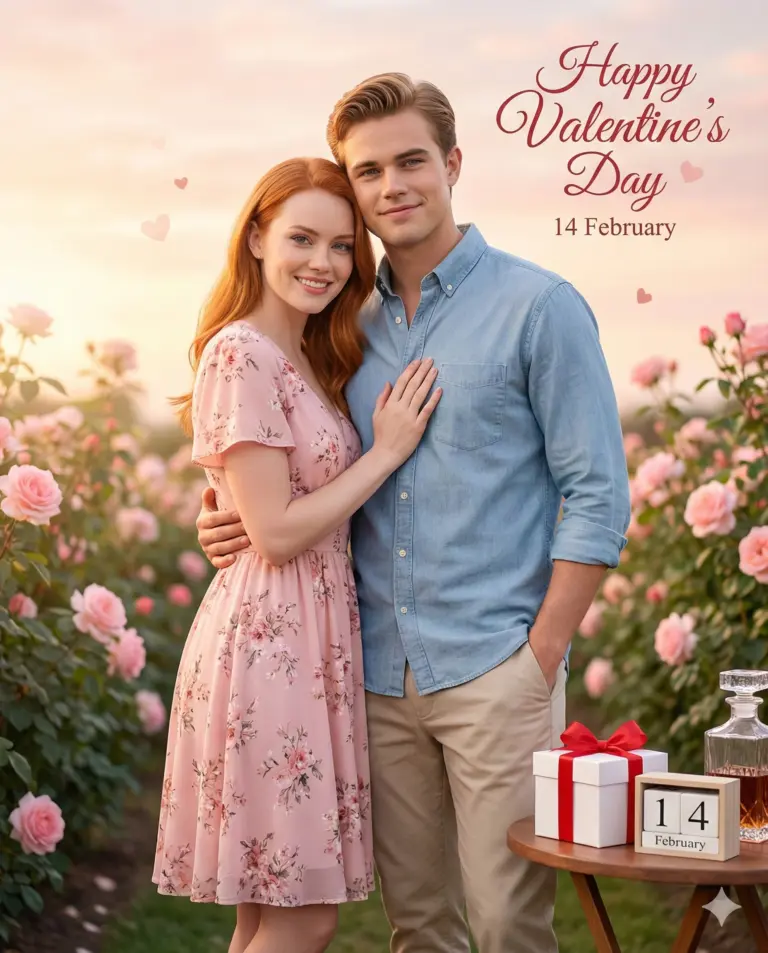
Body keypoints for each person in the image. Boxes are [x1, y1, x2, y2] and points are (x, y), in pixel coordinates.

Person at [196, 74, 631, 953]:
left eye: (410, 161)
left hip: (494, 669)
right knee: (420, 926)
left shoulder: (539, 308)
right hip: (370, 676)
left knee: (509, 922)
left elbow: (598, 494)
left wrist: (538, 657)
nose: (391, 185)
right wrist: (226, 517)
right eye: (367, 171)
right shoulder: (340, 321)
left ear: (453, 164)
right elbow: (285, 456)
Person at [153, 155, 442, 953]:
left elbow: (259, 505)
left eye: (343, 246)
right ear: (255, 238)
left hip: (305, 637)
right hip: (270, 642)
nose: (323, 262)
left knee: (267, 911)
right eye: (302, 239)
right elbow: (276, 531)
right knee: (304, 911)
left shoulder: (310, 356)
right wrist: (382, 455)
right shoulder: (241, 351)